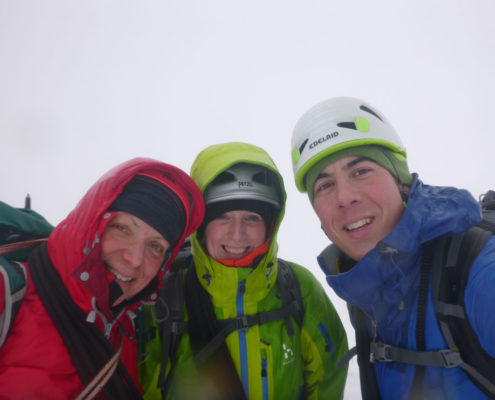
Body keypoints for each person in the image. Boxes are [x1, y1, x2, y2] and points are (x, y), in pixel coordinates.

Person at [289, 96, 495, 399]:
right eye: (325, 185)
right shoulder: (364, 290)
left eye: (361, 171)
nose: (345, 197)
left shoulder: (478, 272)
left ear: (403, 183)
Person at [140, 142, 348, 399]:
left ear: (270, 225)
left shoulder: (298, 288)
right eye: (222, 216)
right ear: (202, 225)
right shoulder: (167, 296)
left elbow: (328, 378)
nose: (237, 234)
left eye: (252, 217)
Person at [0, 158, 204, 399]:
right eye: (122, 229)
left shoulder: (124, 330)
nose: (135, 259)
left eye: (155, 246)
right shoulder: (10, 293)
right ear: (91, 224)